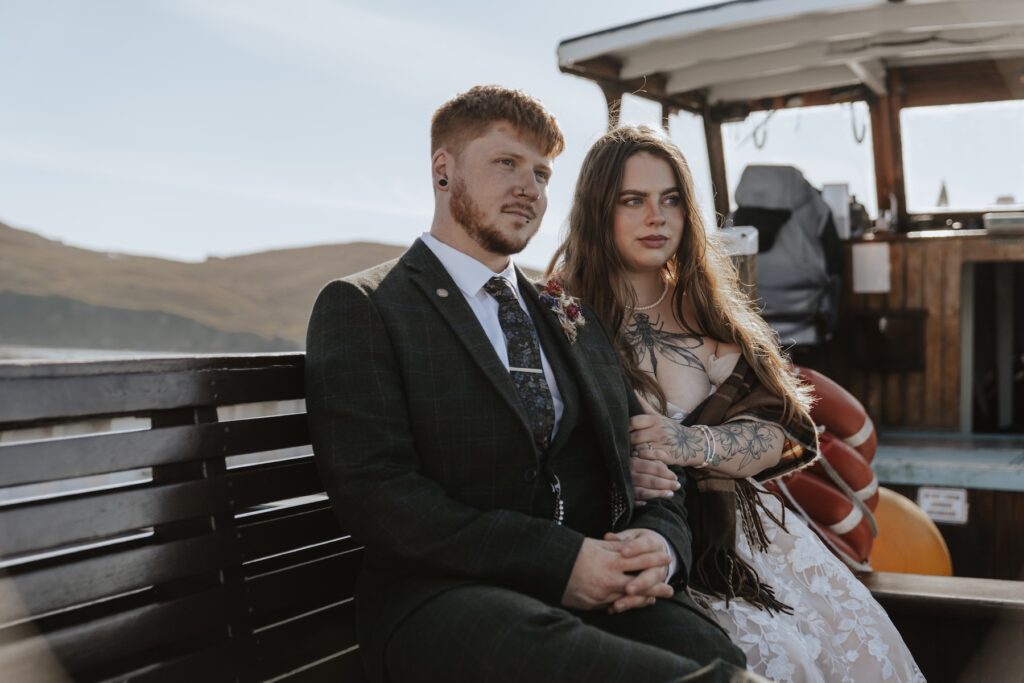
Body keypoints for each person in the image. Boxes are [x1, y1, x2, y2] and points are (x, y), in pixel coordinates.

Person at [305, 87, 760, 683]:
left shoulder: (567, 313)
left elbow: (648, 462)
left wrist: (660, 546)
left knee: (713, 658)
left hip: (601, 586)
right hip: (445, 598)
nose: (530, 187)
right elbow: (377, 494)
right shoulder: (367, 306)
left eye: (542, 173)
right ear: (443, 171)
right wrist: (560, 561)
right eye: (506, 163)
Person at [548, 125, 926, 683]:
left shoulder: (709, 315)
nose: (657, 217)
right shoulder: (556, 316)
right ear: (597, 209)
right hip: (653, 551)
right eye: (634, 200)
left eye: (671, 199)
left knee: (859, 652)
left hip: (755, 543)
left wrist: (687, 442)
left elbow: (783, 432)